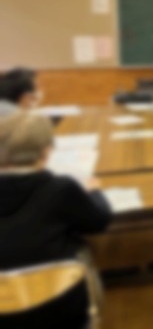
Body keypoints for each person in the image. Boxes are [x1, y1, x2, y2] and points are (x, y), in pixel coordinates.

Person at [0, 112, 112, 328]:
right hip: (60, 307)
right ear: (46, 152)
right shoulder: (59, 188)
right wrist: (94, 192)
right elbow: (99, 221)